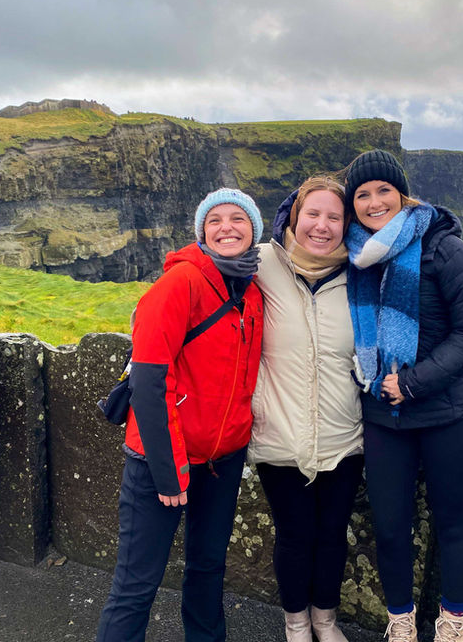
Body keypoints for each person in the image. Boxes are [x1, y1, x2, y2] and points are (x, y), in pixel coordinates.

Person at [95, 188, 265, 642]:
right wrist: (169, 472)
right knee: (136, 583)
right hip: (161, 460)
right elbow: (150, 383)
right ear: (201, 232)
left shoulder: (251, 289)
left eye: (238, 219)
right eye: (215, 220)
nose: (227, 227)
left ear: (254, 231)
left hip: (221, 459)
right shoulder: (180, 283)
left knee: (208, 567)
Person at [342, 151, 463, 642]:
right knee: (389, 527)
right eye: (362, 194)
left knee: (453, 523)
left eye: (384, 190)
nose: (374, 202)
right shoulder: (354, 255)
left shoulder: (446, 249)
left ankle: (452, 625)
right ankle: (400, 622)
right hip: (384, 418)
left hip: (449, 414)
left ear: (402, 193)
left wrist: (411, 382)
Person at [250, 177, 363, 642]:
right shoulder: (260, 263)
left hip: (344, 435)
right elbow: (197, 278)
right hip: (279, 432)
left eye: (334, 217)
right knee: (294, 535)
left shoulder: (361, 273)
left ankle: (325, 621)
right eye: (313, 214)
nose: (322, 226)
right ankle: (296, 623)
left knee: (333, 534)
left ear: (346, 224)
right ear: (294, 217)